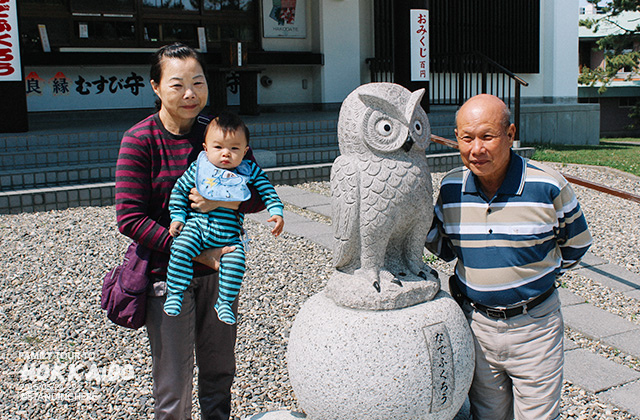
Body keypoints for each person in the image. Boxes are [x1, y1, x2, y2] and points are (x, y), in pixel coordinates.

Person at [115, 42, 265, 420]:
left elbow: (259, 195)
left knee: (219, 371)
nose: (190, 94)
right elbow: (129, 218)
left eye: (198, 83)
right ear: (155, 86)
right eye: (177, 84)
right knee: (174, 383)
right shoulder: (139, 140)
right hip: (167, 278)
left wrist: (221, 204)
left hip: (219, 274)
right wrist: (196, 251)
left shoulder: (218, 133)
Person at [426, 94, 592, 420]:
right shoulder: (450, 188)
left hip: (535, 328)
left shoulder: (548, 187)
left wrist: (531, 279)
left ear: (511, 134)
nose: (476, 149)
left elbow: (575, 246)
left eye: (487, 136)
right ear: (456, 138)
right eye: (467, 138)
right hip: (477, 327)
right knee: (488, 414)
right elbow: (444, 246)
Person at [166, 111, 284, 323]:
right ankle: (175, 293)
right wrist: (177, 217)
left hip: (229, 235)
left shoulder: (249, 170)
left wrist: (276, 212)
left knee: (236, 262)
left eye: (234, 148)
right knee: (181, 247)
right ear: (206, 148)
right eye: (218, 147)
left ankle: (224, 302)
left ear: (245, 151)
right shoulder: (199, 168)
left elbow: (267, 190)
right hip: (197, 227)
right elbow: (179, 191)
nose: (226, 154)